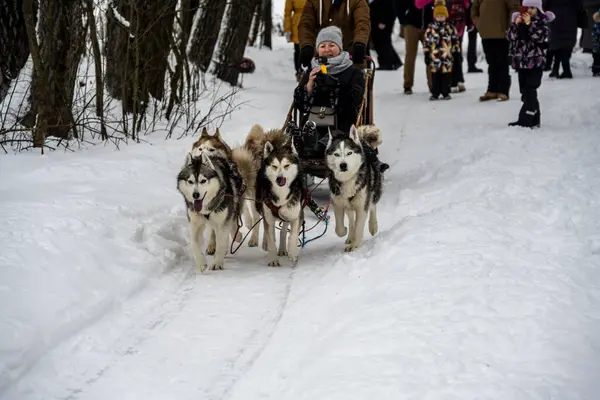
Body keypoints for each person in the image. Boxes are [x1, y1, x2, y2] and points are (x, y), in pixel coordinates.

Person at [294, 26, 389, 172]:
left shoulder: (353, 72)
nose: (327, 49)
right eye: (322, 46)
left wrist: (337, 86)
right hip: (316, 120)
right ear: (317, 49)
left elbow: (354, 101)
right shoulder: (312, 71)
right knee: (313, 120)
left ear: (340, 47)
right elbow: (300, 105)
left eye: (332, 45)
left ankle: (318, 146)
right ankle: (310, 143)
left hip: (342, 122)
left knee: (336, 130)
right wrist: (308, 86)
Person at [506, 0, 554, 128]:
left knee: (530, 89)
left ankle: (526, 118)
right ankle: (535, 118)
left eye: (533, 8)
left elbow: (539, 37)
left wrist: (529, 24)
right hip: (521, 62)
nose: (529, 11)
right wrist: (516, 25)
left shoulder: (541, 22)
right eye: (527, 8)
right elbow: (510, 37)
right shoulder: (519, 21)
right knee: (525, 91)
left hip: (535, 62)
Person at [297, 0, 371, 69]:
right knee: (314, 80)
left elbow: (362, 23)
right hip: (321, 59)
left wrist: (359, 43)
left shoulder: (357, 1)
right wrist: (307, 45)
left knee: (356, 79)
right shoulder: (314, 2)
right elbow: (306, 25)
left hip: (350, 56)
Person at [472, 0, 520, 102]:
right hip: (486, 31)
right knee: (491, 62)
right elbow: (474, 8)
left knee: (502, 62)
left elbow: (514, 8)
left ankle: (503, 90)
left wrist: (509, 26)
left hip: (501, 32)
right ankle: (492, 89)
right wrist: (479, 23)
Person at [423, 0, 461, 100]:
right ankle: (435, 93)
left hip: (447, 57)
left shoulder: (450, 28)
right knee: (435, 76)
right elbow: (426, 41)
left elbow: (455, 40)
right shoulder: (431, 28)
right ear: (435, 16)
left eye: (442, 16)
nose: (440, 18)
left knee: (446, 76)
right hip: (435, 57)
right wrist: (426, 53)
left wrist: (456, 52)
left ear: (446, 16)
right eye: (438, 16)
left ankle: (445, 92)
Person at [396, 0, 435, 94]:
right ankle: (407, 85)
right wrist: (402, 19)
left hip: (429, 25)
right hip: (411, 24)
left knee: (431, 55)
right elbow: (397, 3)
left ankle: (433, 85)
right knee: (410, 55)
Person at [546, 0, 583, 79]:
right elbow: (579, 4)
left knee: (556, 43)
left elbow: (545, 4)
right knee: (566, 44)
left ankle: (558, 70)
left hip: (555, 16)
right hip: (570, 17)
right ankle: (564, 70)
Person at [369, 0, 403, 70]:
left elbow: (388, 8)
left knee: (382, 43)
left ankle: (386, 64)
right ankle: (396, 61)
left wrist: (383, 21)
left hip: (383, 22)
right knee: (382, 42)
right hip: (376, 21)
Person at [284, 0, 307, 82]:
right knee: (299, 50)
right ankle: (299, 72)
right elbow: (287, 12)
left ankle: (314, 72)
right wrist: (287, 29)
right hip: (297, 23)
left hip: (313, 22)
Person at [593, 8, 600, 76]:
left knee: (596, 58)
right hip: (597, 45)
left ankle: (596, 71)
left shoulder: (596, 25)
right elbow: (595, 35)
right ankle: (596, 71)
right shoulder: (596, 25)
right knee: (597, 58)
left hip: (596, 45)